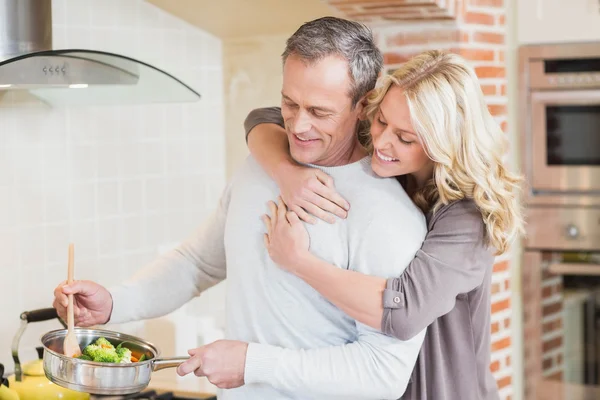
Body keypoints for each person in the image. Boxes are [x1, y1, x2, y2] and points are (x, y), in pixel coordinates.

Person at [52, 17, 427, 400]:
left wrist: (252, 363)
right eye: (289, 103)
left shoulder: (387, 217)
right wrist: (115, 303)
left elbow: (384, 374)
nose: (298, 125)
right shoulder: (260, 168)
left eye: (319, 112)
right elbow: (198, 263)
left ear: (363, 105)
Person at [244, 50, 525, 400]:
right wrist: (287, 174)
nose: (380, 142)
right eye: (380, 121)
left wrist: (299, 262)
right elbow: (262, 118)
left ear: (445, 144)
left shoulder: (467, 217)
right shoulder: (392, 163)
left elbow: (404, 311)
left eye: (405, 138)